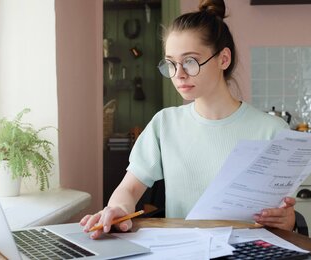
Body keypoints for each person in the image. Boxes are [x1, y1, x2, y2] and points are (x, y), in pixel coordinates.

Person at [81, 0, 296, 239]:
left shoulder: (273, 131)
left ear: (223, 59)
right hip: (183, 250)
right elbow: (129, 189)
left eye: (190, 61)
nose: (179, 74)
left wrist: (287, 219)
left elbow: (283, 215)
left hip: (248, 250)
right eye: (171, 63)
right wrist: (118, 209)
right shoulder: (165, 124)